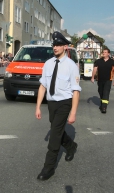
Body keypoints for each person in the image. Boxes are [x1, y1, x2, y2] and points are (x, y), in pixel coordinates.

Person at [35, 31, 81, 181]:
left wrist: (73, 112)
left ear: (65, 47)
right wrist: (38, 107)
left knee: (54, 135)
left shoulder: (71, 65)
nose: (55, 47)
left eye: (58, 45)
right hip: (52, 103)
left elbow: (75, 90)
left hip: (64, 103)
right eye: (54, 44)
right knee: (57, 129)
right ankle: (70, 146)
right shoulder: (48, 64)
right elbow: (43, 86)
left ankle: (48, 167)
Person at [91, 49, 114, 113]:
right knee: (101, 92)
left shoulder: (112, 61)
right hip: (100, 79)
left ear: (108, 54)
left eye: (105, 52)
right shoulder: (98, 61)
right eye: (103, 52)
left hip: (108, 80)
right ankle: (102, 103)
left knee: (106, 92)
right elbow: (95, 69)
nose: (104, 53)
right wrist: (92, 77)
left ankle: (104, 107)